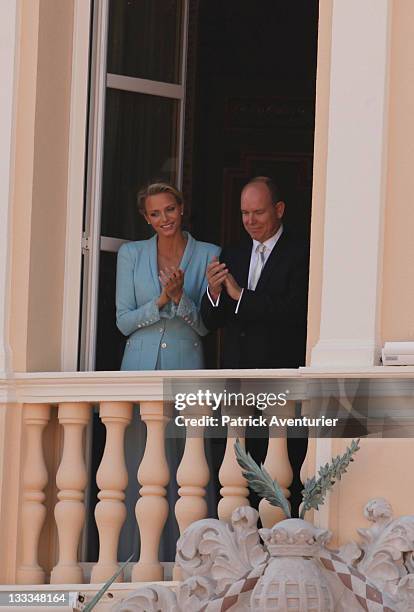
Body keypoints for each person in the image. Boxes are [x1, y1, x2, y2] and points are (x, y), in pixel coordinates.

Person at [200, 176, 308, 368]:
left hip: (279, 374)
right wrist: (214, 292)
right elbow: (212, 323)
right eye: (244, 213)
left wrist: (241, 295)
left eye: (258, 212)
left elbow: (295, 312)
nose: (250, 221)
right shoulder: (232, 253)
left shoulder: (302, 253)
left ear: (279, 210)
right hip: (234, 375)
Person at [116, 182, 220, 370]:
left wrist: (180, 297)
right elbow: (123, 323)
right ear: (146, 217)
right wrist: (162, 300)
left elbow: (206, 327)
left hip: (185, 365)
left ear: (181, 208)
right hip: (137, 367)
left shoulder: (209, 254)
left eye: (170, 209)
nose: (164, 218)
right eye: (155, 213)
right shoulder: (130, 253)